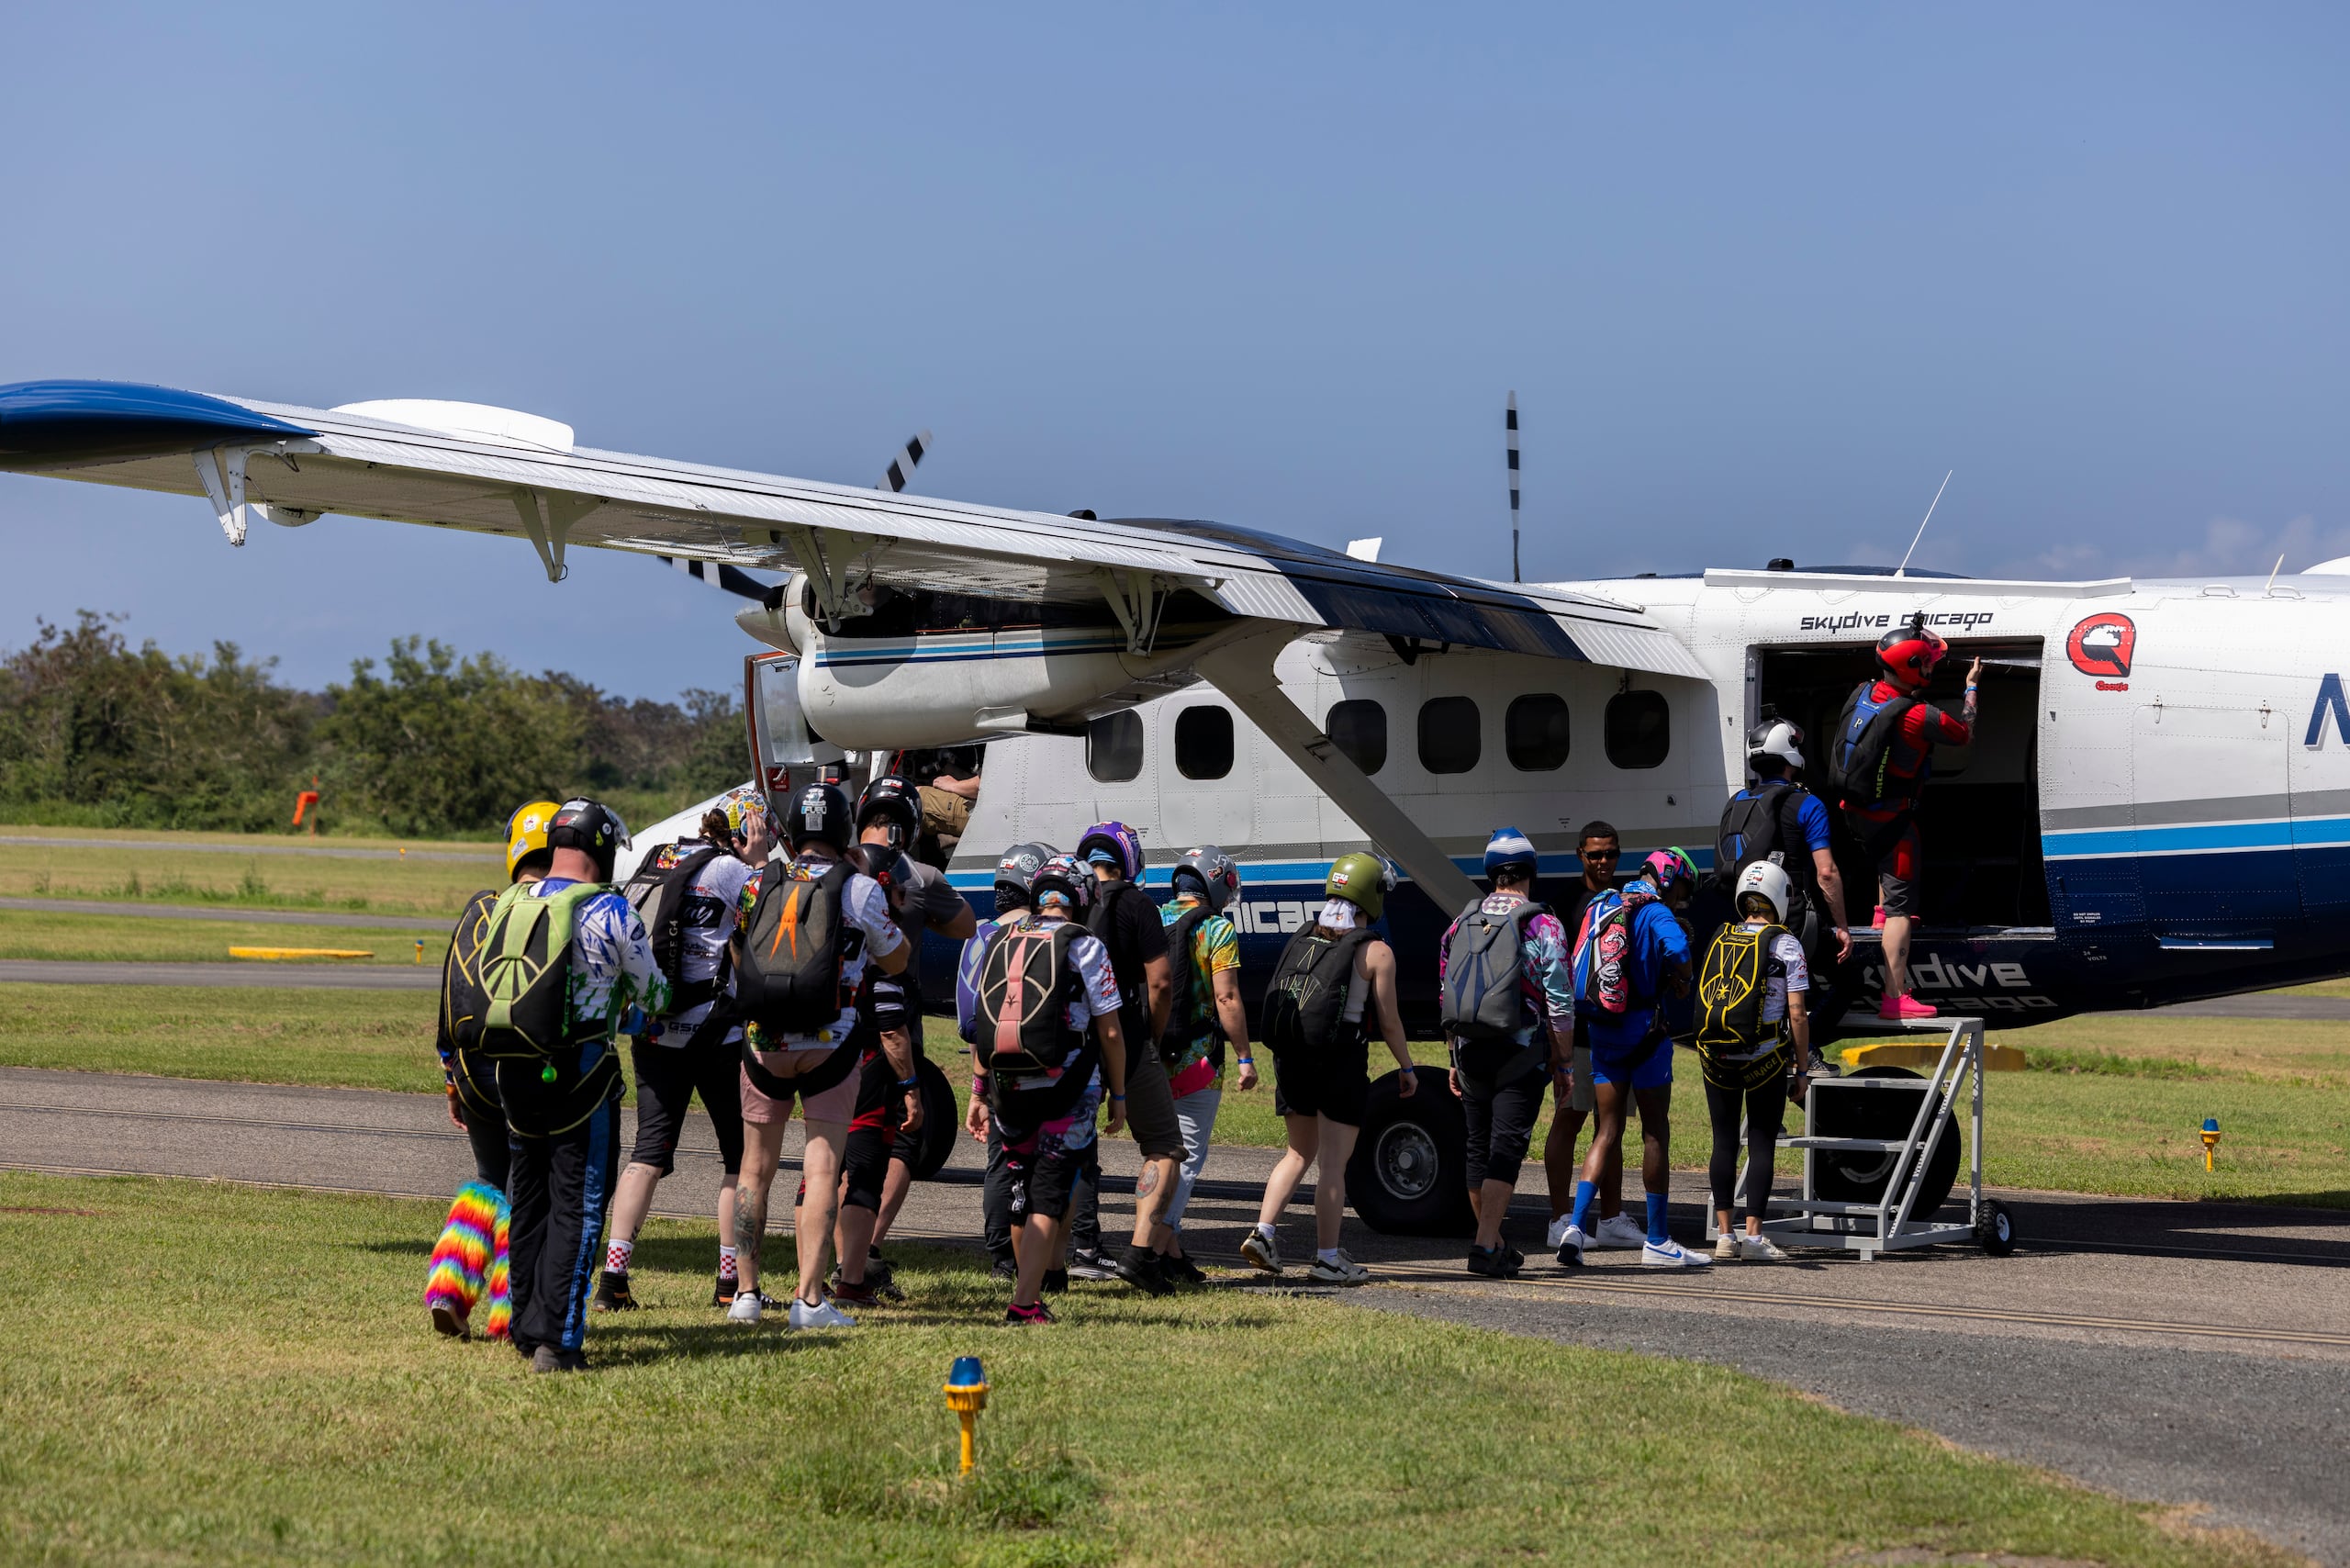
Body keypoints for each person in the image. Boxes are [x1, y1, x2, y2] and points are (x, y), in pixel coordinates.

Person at [490, 799, 671, 1371]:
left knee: (529, 1202)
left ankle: (523, 1327)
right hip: (581, 1078)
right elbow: (655, 994)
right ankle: (558, 1341)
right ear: (601, 850)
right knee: (579, 1206)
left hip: (513, 1071)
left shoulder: (513, 900)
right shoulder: (610, 910)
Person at [726, 781, 910, 1329]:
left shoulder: (757, 883)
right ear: (844, 830)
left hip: (763, 1041)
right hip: (832, 1041)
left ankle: (745, 1295)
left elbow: (738, 949)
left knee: (753, 1169)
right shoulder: (860, 888)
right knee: (824, 1164)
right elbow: (896, 960)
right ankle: (808, 1301)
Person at [592, 789, 767, 1315]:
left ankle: (613, 1278)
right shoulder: (733, 871)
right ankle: (730, 1282)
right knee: (739, 1160)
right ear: (743, 831)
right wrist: (759, 864)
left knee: (646, 1154)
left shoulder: (661, 859)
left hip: (654, 1029)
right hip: (716, 1032)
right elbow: (771, 922)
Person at [831, 773, 978, 1306]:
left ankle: (828, 1258)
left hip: (832, 1025)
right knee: (899, 1142)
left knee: (836, 1143)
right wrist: (918, 915)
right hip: (892, 1026)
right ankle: (863, 1253)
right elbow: (965, 926)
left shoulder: (836, 869)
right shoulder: (921, 875)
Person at [1241, 853, 1418, 1284]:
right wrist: (1407, 1066)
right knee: (1333, 1165)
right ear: (1372, 895)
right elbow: (1390, 1022)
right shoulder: (1376, 951)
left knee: (1297, 1153)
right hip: (1340, 1062)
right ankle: (1327, 1259)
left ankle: (1264, 1233)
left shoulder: (1302, 935)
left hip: (1293, 1058)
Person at [968, 854, 1130, 1324]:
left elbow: (986, 1019)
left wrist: (978, 1091)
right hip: (1068, 1089)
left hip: (1007, 1086)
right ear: (1081, 898)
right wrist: (1119, 1095)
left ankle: (1029, 1292)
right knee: (1048, 1198)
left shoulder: (1001, 938)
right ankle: (1024, 1303)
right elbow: (1111, 1031)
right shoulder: (1085, 946)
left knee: (1021, 1193)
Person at [421, 796, 555, 1341]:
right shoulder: (562, 911)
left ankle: (449, 1293)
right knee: (533, 1187)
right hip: (529, 1073)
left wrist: (450, 1076)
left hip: (473, 1070)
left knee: (488, 1179)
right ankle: (511, 1310)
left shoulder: (482, 909)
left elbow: (450, 992)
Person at [1558, 846, 1710, 1271]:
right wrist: (1682, 978)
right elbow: (1679, 952)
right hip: (1644, 1033)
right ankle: (1658, 1241)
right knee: (1654, 1132)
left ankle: (1574, 1228)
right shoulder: (1656, 911)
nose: (1680, 900)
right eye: (1681, 890)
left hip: (1602, 1031)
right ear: (1669, 879)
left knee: (1606, 1130)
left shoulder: (1604, 901)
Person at [1439, 829, 1578, 1279]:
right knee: (1507, 1148)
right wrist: (1564, 1063)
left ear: (1491, 872)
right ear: (1530, 872)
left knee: (1478, 1146)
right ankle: (1484, 1247)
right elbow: (1560, 1001)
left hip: (1469, 1050)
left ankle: (1495, 1242)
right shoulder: (1542, 924)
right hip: (1520, 1053)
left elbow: (1447, 992)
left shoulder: (1461, 922)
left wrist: (1453, 1057)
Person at [1830, 616, 1981, 1021]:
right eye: (1927, 662)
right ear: (1912, 668)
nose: (1931, 667)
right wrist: (1971, 688)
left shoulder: (1863, 691)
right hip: (1893, 821)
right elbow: (1963, 733)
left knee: (1886, 880)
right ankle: (1895, 997)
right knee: (1902, 908)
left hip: (1856, 814)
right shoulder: (1918, 715)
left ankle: (1881, 918)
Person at [1063, 822, 1184, 1295]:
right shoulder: (1138, 904)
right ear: (1130, 861)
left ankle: (1056, 1257)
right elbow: (1161, 982)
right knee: (1164, 1147)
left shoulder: (1071, 902)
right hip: (1126, 1039)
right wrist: (1151, 1035)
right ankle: (1139, 1255)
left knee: (1066, 1149)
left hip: (1071, 1043)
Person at [1694, 862, 1816, 1261]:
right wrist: (1802, 1068)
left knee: (1724, 1140)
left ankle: (1724, 1236)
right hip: (1764, 1057)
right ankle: (1754, 1237)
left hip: (1716, 1056)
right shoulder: (1787, 944)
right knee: (1761, 1143)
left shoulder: (1722, 934)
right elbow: (1797, 1014)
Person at [1153, 846, 1258, 1281]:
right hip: (1196, 1063)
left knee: (1158, 1154)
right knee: (1187, 1159)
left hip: (1149, 1059)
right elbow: (1226, 997)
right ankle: (1151, 1248)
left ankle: (1170, 1251)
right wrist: (1245, 1056)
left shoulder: (1153, 918)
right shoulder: (1217, 929)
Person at [1541, 821, 1643, 1255]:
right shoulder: (1568, 903)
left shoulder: (1625, 899)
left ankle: (1611, 1218)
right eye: (1595, 854)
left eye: (1611, 853)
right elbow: (1553, 971)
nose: (1604, 862)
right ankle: (1559, 1218)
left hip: (1618, 1032)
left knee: (1611, 1125)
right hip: (1580, 1033)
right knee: (1569, 1118)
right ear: (1580, 855)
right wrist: (1557, 1040)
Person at [958, 842, 1058, 1282]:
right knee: (1047, 1159)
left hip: (990, 1062)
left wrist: (978, 1087)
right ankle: (1047, 1254)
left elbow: (970, 1020)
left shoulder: (978, 936)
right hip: (1033, 1061)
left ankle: (1001, 1251)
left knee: (1001, 1161)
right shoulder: (1039, 934)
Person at [1715, 717, 1853, 1006]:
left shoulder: (1736, 801)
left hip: (1741, 918)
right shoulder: (1807, 803)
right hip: (1790, 918)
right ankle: (1807, 1036)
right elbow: (1826, 872)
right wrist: (1842, 927)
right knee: (1848, 983)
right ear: (1789, 754)